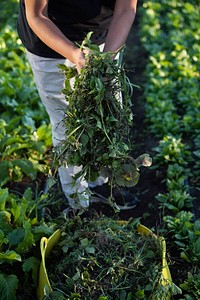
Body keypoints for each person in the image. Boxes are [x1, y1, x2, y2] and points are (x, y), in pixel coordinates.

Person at [17, 0, 139, 211]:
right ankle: (76, 201)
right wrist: (75, 56)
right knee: (69, 127)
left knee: (106, 115)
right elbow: (37, 16)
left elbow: (126, 8)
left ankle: (98, 183)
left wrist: (107, 59)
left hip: (105, 37)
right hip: (52, 41)